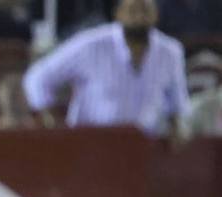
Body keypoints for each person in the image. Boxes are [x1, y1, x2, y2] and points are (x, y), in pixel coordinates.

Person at [22, 0, 190, 139]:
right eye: (132, 10)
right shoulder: (91, 45)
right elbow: (37, 77)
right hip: (91, 144)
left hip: (143, 148)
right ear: (118, 13)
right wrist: (49, 118)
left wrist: (177, 125)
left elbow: (178, 103)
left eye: (145, 10)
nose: (139, 16)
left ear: (155, 14)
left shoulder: (171, 52)